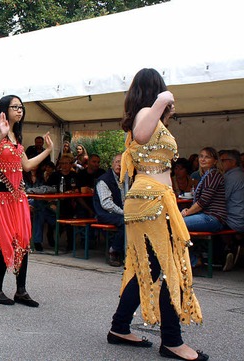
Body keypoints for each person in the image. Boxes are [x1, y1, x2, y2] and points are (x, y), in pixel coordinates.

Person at [108, 68, 206, 361]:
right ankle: (172, 341)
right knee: (170, 266)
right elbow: (140, 134)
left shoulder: (149, 116)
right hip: (152, 199)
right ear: (156, 90)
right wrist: (163, 101)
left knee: (147, 267)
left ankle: (119, 327)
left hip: (151, 197)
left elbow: (146, 142)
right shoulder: (143, 115)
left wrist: (163, 115)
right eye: (162, 90)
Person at [0, 95, 52, 307]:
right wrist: (0, 134)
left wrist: (48, 151)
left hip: (18, 196)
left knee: (23, 240)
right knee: (6, 240)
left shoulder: (16, 135)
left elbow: (27, 166)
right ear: (4, 109)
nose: (19, 110)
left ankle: (21, 290)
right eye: (15, 107)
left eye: (21, 107)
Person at [180, 147, 227, 233]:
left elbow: (203, 201)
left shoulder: (213, 175)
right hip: (205, 215)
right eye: (201, 156)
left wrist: (187, 212)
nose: (203, 159)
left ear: (215, 161)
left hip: (213, 218)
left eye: (207, 157)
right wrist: (188, 211)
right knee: (174, 221)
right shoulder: (207, 175)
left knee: (176, 223)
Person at [93, 154, 125, 267]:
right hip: (104, 214)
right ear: (112, 164)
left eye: (122, 162)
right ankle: (114, 250)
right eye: (117, 162)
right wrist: (124, 212)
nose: (119, 165)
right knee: (125, 222)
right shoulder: (104, 180)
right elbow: (107, 204)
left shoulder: (127, 179)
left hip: (120, 212)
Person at [218, 149, 244, 271]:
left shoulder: (231, 177)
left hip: (234, 218)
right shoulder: (240, 174)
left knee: (213, 222)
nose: (220, 163)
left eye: (223, 160)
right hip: (240, 215)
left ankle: (228, 250)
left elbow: (222, 197)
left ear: (233, 162)